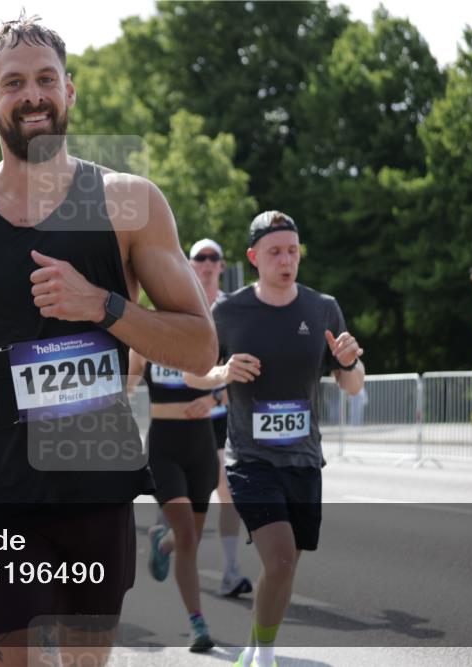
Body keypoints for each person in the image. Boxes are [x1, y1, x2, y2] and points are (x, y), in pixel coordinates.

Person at [0, 13, 217, 665]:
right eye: (13, 83)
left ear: (70, 89)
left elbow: (201, 348)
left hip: (92, 470)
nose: (32, 94)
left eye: (45, 78)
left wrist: (104, 305)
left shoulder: (129, 202)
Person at [202, 212, 365, 667]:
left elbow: (352, 385)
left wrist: (350, 363)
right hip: (250, 461)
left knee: (287, 563)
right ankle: (265, 659)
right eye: (275, 252)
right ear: (253, 257)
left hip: (304, 459)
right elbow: (196, 374)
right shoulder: (228, 312)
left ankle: (253, 649)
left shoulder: (322, 308)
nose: (286, 260)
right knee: (279, 561)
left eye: (293, 250)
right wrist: (222, 371)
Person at [127, 347, 218, 652]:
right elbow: (124, 389)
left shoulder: (207, 337)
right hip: (164, 449)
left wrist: (214, 399)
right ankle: (197, 622)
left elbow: (233, 382)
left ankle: (163, 542)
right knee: (187, 534)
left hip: (202, 448)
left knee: (189, 538)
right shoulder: (145, 342)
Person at [189, 237, 253, 599]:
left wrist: (215, 396)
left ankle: (230, 571)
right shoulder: (178, 305)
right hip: (181, 419)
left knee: (226, 491)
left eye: (214, 257)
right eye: (201, 257)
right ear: (189, 264)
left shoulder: (234, 310)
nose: (208, 263)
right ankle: (167, 543)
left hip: (220, 416)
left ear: (222, 266)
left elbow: (241, 368)